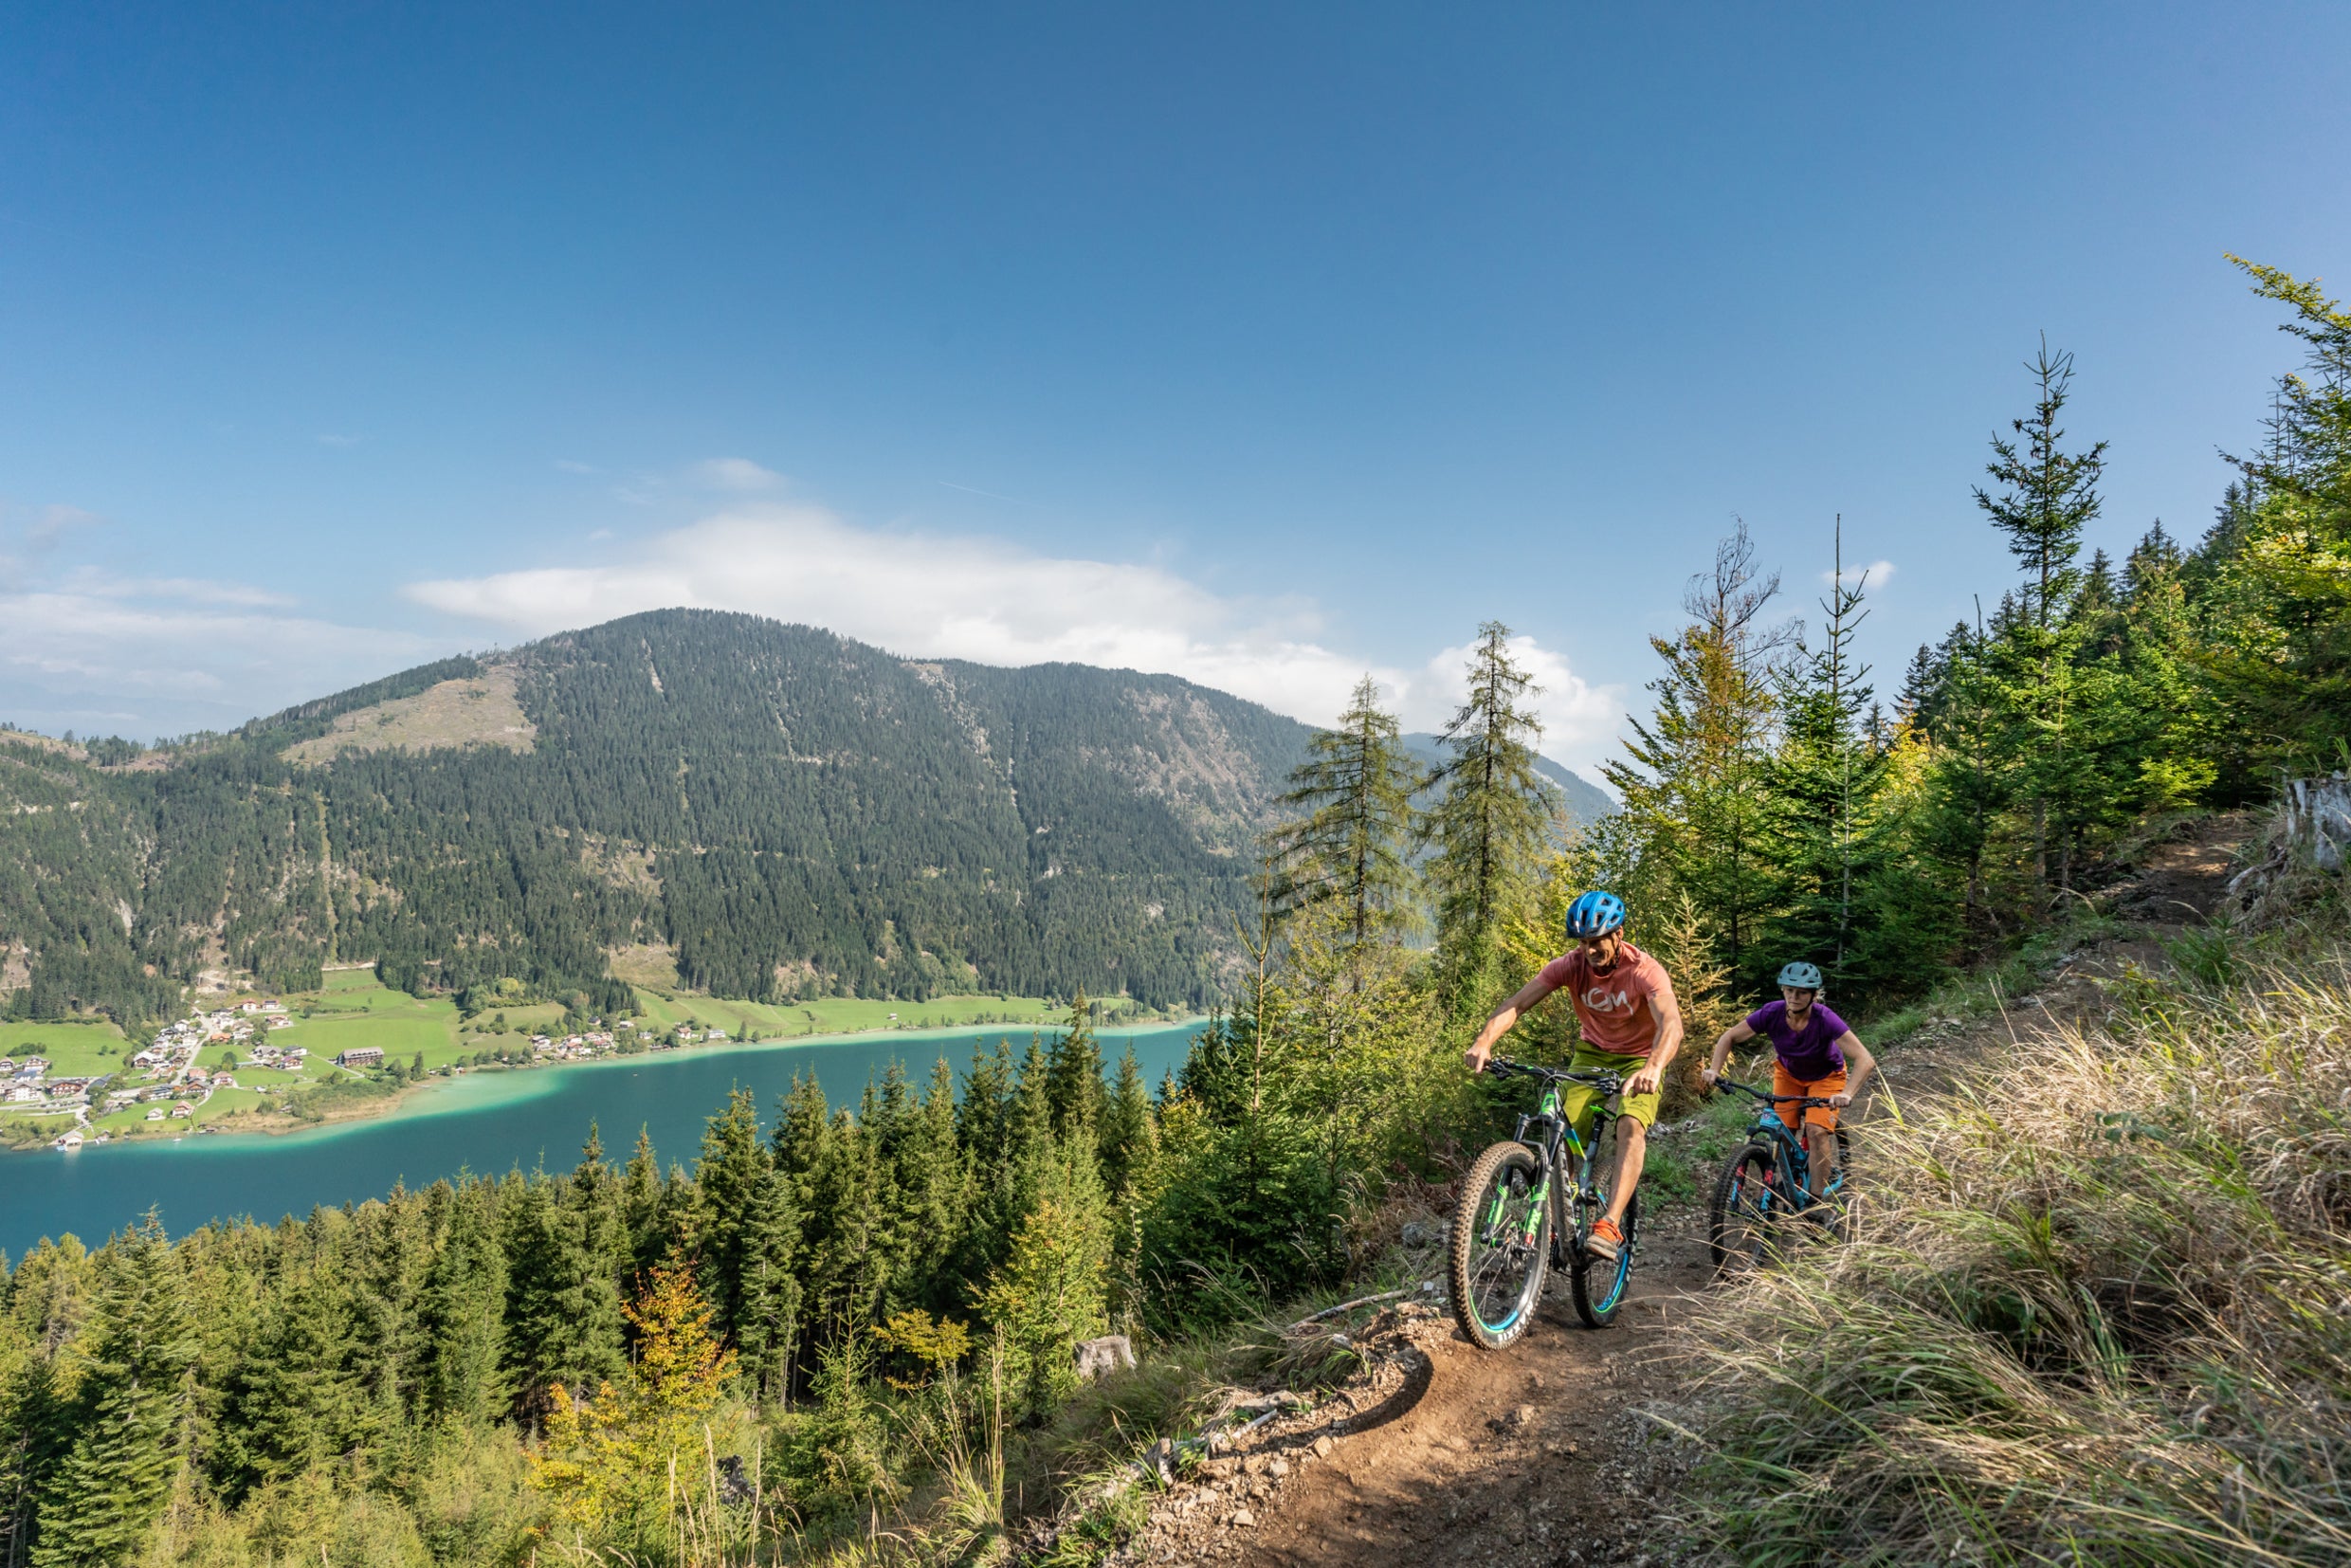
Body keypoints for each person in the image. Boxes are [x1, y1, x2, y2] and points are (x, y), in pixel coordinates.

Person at [1464, 889, 1682, 1264]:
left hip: (1640, 1058)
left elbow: (1672, 1024)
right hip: (1592, 1055)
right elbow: (1517, 1004)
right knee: (1558, 1124)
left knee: (1631, 1126)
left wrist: (1654, 1067)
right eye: (1582, 943)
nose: (1589, 950)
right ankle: (1558, 1217)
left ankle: (1609, 1225)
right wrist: (1484, 1041)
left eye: (1596, 941)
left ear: (1618, 934)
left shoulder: (1645, 970)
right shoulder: (1568, 966)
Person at [1701, 961, 1876, 1200]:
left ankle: (1815, 1201)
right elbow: (1729, 1036)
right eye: (1789, 990)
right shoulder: (1771, 1013)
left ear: (1814, 995)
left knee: (1816, 1131)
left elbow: (1865, 1059)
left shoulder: (1825, 1019)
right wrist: (1714, 1069)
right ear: (1783, 990)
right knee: (1782, 1131)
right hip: (1789, 1074)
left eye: (1802, 992)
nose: (1794, 997)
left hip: (1826, 1077)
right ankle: (1786, 1181)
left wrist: (1847, 1093)